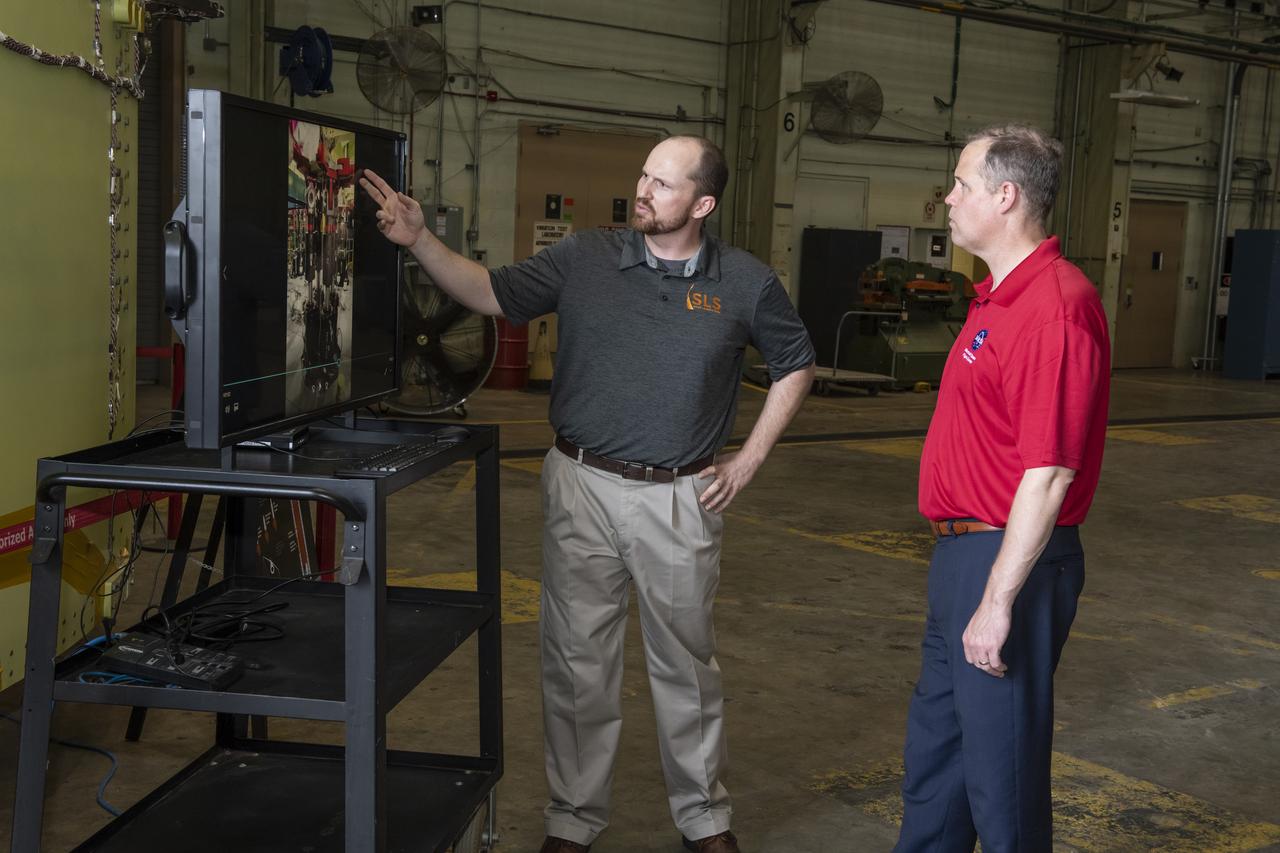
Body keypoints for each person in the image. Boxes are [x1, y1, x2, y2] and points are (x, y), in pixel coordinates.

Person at [360, 135, 816, 853]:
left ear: (703, 203)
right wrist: (420, 241)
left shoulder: (746, 282)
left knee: (686, 667)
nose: (643, 191)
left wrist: (749, 460)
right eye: (643, 175)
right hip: (581, 485)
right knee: (576, 662)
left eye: (663, 185)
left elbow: (796, 362)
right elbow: (490, 293)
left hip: (678, 497)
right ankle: (572, 819)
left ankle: (704, 818)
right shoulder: (585, 259)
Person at [895, 124, 1110, 853]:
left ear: (1006, 195)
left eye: (961, 184)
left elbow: (1049, 473)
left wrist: (997, 599)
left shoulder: (1055, 305)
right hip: (962, 554)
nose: (948, 199)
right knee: (938, 759)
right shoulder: (998, 301)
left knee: (1000, 774)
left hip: (1006, 560)